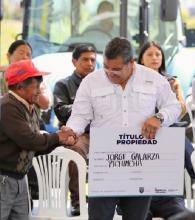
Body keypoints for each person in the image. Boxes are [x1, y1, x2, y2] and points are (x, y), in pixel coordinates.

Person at [66, 37, 181, 220]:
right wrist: (71, 131)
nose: (110, 73)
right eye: (106, 67)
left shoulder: (153, 79)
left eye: (117, 69)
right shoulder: (91, 82)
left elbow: (175, 107)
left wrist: (159, 118)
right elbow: (79, 116)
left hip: (140, 164)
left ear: (132, 63)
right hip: (105, 164)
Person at [0, 59, 77, 220]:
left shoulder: (29, 106)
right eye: (36, 87)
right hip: (4, 179)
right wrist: (58, 137)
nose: (39, 92)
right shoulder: (7, 106)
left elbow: (34, 146)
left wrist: (59, 140)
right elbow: (28, 140)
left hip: (19, 178)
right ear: (20, 87)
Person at [137, 41, 189, 219]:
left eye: (158, 54)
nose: (154, 58)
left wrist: (177, 90)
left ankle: (176, 190)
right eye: (150, 54)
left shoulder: (171, 80)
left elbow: (181, 111)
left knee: (173, 129)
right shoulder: (135, 80)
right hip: (143, 130)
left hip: (166, 127)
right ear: (141, 59)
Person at [53, 43, 97, 216]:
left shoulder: (103, 84)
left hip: (100, 131)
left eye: (93, 59)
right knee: (75, 150)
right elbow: (60, 112)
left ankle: (110, 199)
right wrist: (84, 107)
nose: (90, 63)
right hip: (76, 133)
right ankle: (78, 201)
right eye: (85, 59)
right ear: (74, 61)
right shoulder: (63, 85)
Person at [0, 40, 51, 111]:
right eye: (21, 53)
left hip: (30, 120)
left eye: (28, 55)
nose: (25, 57)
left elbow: (45, 104)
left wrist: (34, 87)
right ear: (9, 56)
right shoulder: (2, 75)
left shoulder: (36, 77)